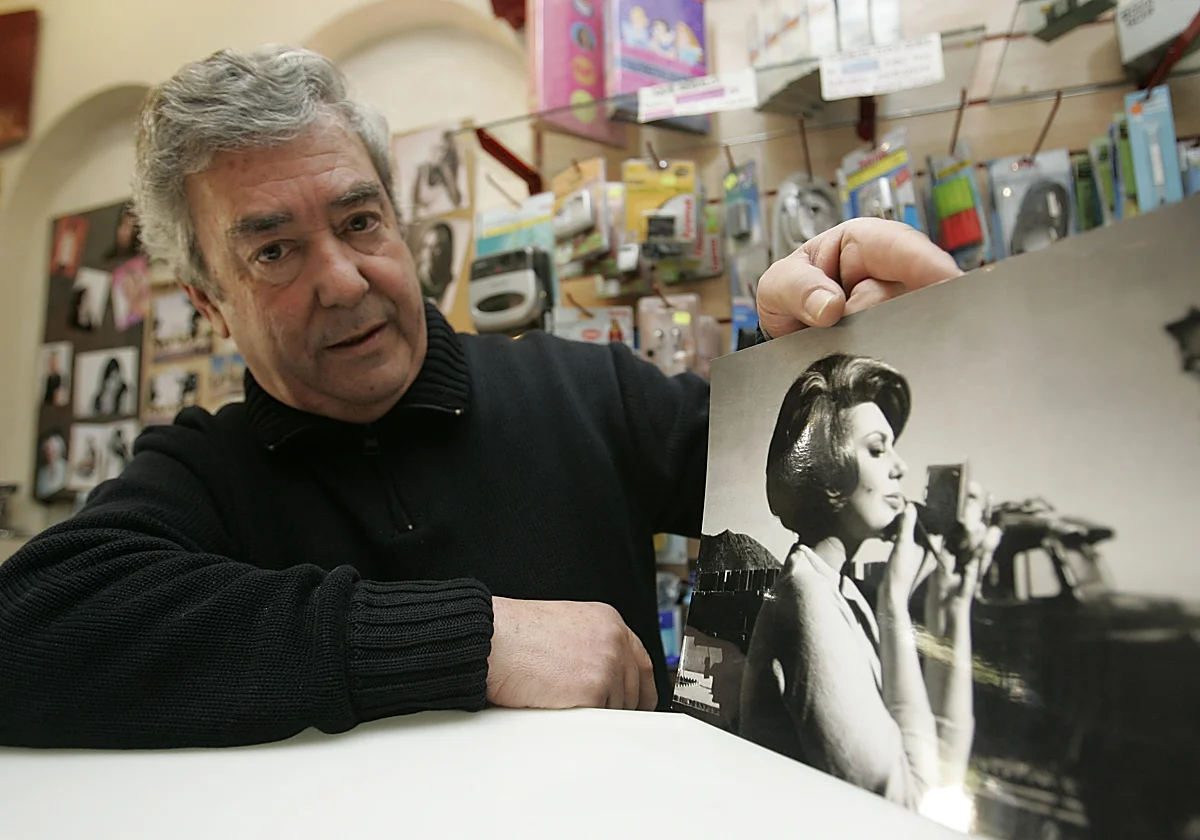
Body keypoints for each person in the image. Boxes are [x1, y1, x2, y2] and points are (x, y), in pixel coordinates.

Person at [0, 46, 962, 750]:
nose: (341, 279)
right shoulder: (205, 470)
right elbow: (26, 632)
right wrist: (476, 639)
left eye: (358, 220)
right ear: (210, 302)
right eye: (274, 250)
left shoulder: (587, 392)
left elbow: (782, 466)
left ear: (400, 224)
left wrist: (827, 354)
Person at [738, 353, 998, 813]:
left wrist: (949, 612)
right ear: (827, 467)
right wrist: (894, 605)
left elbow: (938, 769)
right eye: (877, 449)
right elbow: (907, 807)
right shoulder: (806, 600)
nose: (900, 466)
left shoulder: (839, 591)